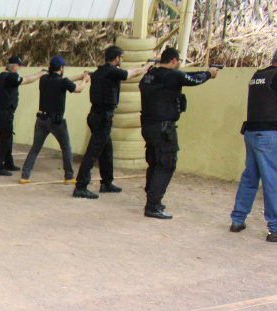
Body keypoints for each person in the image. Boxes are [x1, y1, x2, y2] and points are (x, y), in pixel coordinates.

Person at [138, 47, 217, 219]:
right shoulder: (172, 75)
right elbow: (194, 79)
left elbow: (186, 75)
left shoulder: (150, 75)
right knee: (166, 164)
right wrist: (209, 74)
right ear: (174, 61)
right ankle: (153, 205)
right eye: (179, 62)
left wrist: (206, 72)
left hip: (148, 125)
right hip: (163, 127)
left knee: (154, 163)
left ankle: (152, 200)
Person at [73, 46, 154, 198]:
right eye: (121, 59)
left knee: (106, 150)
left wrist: (143, 66)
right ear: (117, 58)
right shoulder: (112, 71)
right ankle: (81, 186)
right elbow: (132, 73)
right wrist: (147, 67)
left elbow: (129, 70)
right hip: (103, 117)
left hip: (97, 115)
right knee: (92, 153)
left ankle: (106, 183)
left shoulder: (99, 71)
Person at [230, 49, 277, 240]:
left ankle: (237, 220)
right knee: (272, 180)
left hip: (251, 133)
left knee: (250, 177)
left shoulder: (258, 76)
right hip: (269, 135)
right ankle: (275, 228)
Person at [20, 56, 89, 183]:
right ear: (61, 68)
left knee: (35, 148)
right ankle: (69, 176)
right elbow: (78, 89)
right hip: (56, 121)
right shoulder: (61, 82)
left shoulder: (44, 79)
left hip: (41, 119)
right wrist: (84, 80)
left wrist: (80, 77)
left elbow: (63, 80)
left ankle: (25, 176)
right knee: (66, 147)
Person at [0, 57, 45, 175]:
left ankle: (8, 163)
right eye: (19, 66)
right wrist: (40, 74)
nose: (19, 68)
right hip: (5, 112)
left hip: (0, 112)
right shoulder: (10, 77)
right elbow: (27, 80)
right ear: (14, 66)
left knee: (7, 137)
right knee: (5, 139)